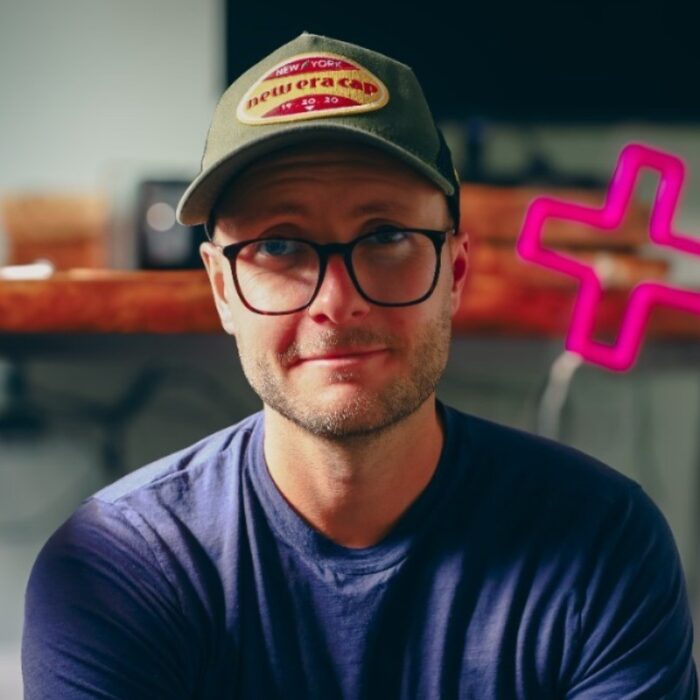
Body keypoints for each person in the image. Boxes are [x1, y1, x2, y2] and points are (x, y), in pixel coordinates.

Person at [22, 32, 697, 699]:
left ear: (455, 270)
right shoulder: (113, 570)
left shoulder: (603, 545)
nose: (337, 303)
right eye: (280, 245)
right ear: (222, 289)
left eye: (386, 237)